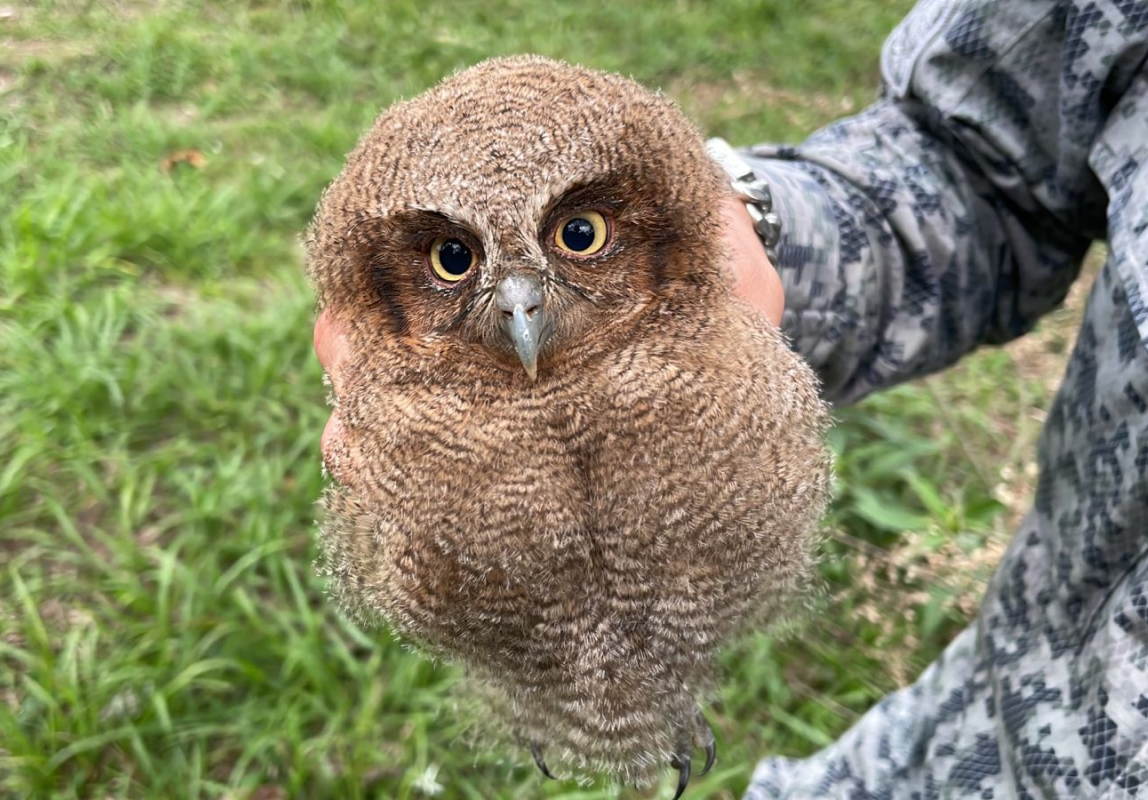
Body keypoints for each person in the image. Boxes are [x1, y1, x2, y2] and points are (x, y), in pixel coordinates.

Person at [316, 0, 1148, 794]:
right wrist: (746, 233)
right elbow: (984, 169)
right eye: (453, 261)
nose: (520, 307)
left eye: (581, 236)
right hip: (999, 738)